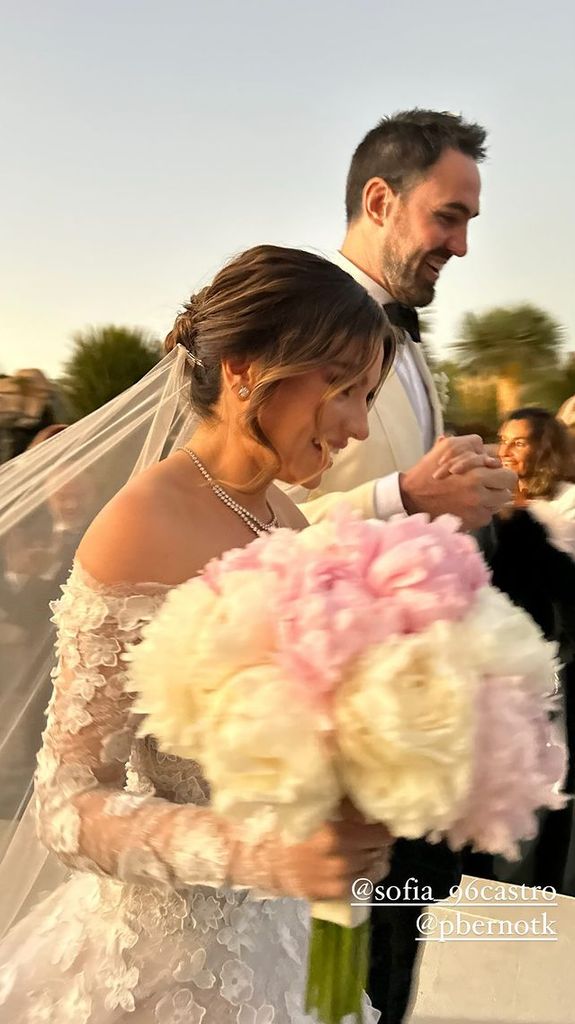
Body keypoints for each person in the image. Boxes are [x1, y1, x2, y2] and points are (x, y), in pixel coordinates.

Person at [0, 245, 396, 1023]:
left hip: (290, 942)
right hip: (165, 975)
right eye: (342, 390)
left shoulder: (282, 515)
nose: (354, 426)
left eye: (368, 397)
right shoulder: (141, 524)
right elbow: (66, 804)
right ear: (247, 369)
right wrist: (259, 852)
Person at [285, 109, 517, 1024]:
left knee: (388, 970)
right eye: (445, 218)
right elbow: (227, 519)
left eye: (467, 225)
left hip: (407, 732)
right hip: (316, 736)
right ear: (379, 200)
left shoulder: (411, 347)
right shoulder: (293, 326)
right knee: (324, 984)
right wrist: (403, 500)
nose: (459, 247)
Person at [472, 408, 575, 892]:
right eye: (503, 439)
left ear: (546, 449)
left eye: (520, 442)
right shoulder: (496, 505)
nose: (506, 450)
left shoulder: (560, 507)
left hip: (547, 657)